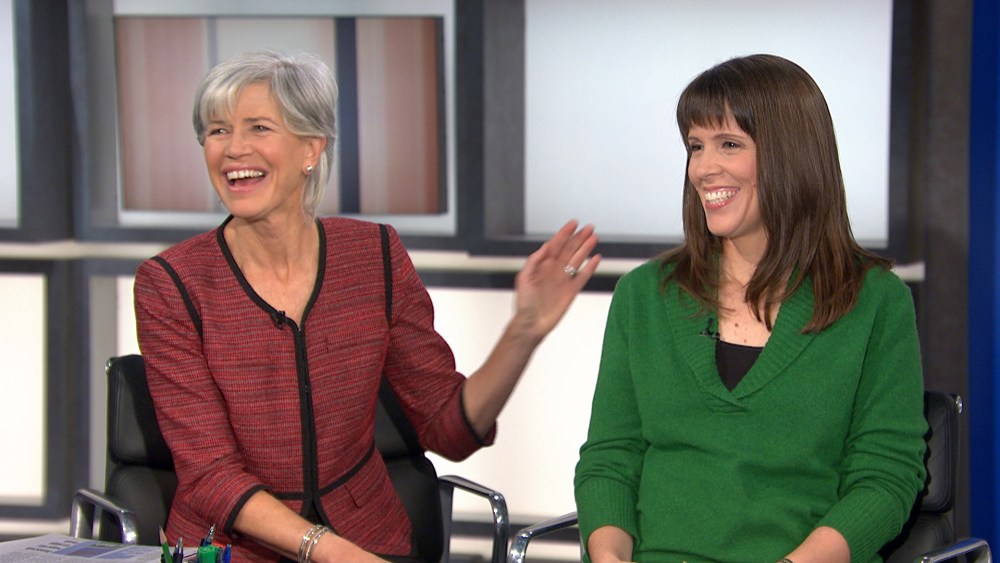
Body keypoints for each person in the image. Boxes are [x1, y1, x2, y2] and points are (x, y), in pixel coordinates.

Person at [133, 50, 600, 563]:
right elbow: (210, 474)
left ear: (311, 147)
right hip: (234, 550)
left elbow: (448, 427)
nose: (233, 149)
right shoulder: (171, 283)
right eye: (217, 131)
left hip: (368, 535)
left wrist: (524, 331)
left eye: (258, 127)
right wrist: (329, 552)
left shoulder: (373, 255)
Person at [573, 54, 927, 563]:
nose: (702, 169)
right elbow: (611, 459)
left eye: (729, 144)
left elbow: (884, 478)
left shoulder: (874, 302)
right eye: (695, 146)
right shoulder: (644, 295)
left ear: (791, 154)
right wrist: (609, 556)